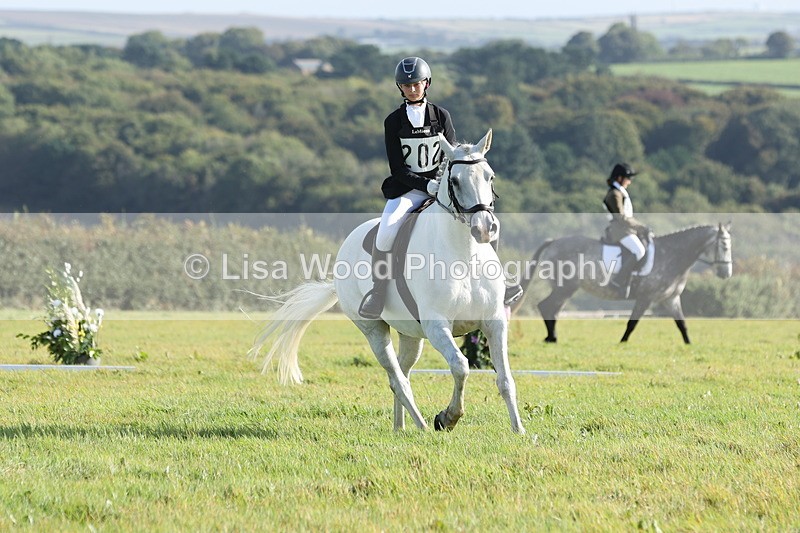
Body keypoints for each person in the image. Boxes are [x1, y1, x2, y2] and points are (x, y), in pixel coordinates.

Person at [359, 57, 522, 319]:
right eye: (407, 85)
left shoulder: (441, 115)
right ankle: (378, 292)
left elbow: (454, 156)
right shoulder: (393, 121)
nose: (413, 89)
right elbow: (398, 169)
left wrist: (443, 184)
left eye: (417, 84)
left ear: (427, 83)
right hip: (408, 189)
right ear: (400, 88)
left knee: (489, 223)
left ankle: (499, 282)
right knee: (386, 232)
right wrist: (426, 185)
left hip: (445, 188)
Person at [603, 162, 650, 299]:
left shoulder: (620, 192)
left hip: (627, 229)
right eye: (627, 178)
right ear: (619, 178)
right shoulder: (614, 194)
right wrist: (642, 227)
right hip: (620, 230)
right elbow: (622, 217)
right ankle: (617, 281)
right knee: (639, 250)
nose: (630, 181)